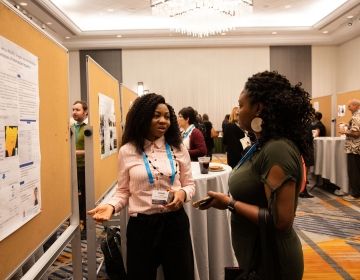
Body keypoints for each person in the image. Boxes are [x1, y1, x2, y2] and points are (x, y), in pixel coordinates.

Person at [200, 71, 313, 280]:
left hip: (272, 261)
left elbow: (281, 221)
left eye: (241, 105)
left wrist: (229, 203)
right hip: (258, 254)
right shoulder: (263, 145)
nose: (238, 112)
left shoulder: (277, 149)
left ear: (258, 108)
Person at [88, 93, 195, 280]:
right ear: (142, 116)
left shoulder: (178, 148)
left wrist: (182, 194)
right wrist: (111, 206)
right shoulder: (127, 151)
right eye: (156, 115)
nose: (163, 121)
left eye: (167, 116)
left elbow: (190, 185)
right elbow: (123, 192)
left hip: (175, 224)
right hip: (142, 228)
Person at [71, 100, 88, 236]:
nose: (74, 112)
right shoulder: (72, 127)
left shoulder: (88, 129)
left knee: (84, 199)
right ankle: (76, 224)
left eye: (77, 110)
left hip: (84, 168)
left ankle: (86, 227)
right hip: (73, 168)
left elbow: (91, 151)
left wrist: (74, 152)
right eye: (73, 110)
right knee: (75, 198)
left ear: (85, 112)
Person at [339, 99, 360, 201]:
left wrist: (345, 131)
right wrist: (348, 127)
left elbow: (356, 134)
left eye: (350, 106)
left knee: (354, 171)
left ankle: (355, 194)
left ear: (356, 106)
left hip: (353, 148)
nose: (348, 108)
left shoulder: (356, 116)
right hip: (358, 148)